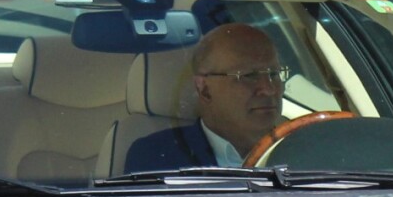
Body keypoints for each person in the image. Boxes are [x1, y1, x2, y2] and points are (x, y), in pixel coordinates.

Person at [123, 22, 292, 172]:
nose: (269, 89)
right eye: (248, 75)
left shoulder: (306, 147)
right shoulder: (156, 157)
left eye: (274, 74)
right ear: (204, 89)